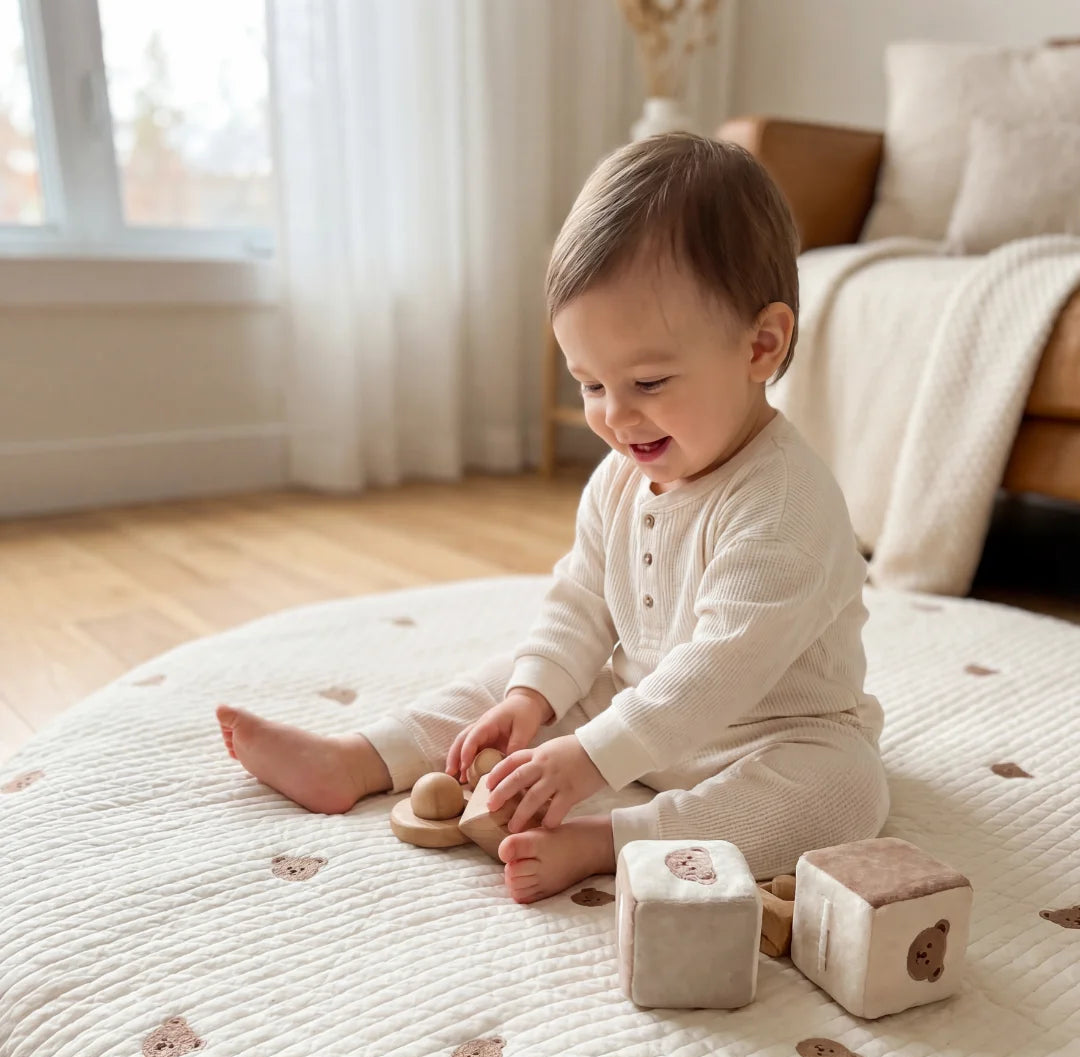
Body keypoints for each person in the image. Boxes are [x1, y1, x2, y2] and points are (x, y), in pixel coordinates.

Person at [217, 133, 889, 905]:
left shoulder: (785, 503)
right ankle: (359, 759)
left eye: (647, 379)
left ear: (762, 345)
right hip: (636, 708)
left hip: (771, 733)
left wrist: (588, 761)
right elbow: (581, 604)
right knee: (510, 681)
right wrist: (533, 703)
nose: (614, 415)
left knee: (846, 793)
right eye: (590, 383)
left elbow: (715, 675)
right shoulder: (618, 479)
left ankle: (610, 841)